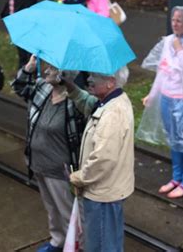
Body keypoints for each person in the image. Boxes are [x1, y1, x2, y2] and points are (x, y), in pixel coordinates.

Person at [11, 56, 85, 252]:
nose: (45, 71)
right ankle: (57, 241)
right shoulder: (42, 88)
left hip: (59, 168)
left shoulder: (75, 101)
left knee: (67, 211)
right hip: (38, 162)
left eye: (51, 68)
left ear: (63, 74)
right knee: (51, 208)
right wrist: (29, 67)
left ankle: (75, 246)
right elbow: (18, 87)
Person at [137, 6, 183, 199]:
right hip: (167, 97)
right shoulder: (168, 41)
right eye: (173, 19)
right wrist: (152, 95)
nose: (174, 23)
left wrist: (180, 51)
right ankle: (176, 177)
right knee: (173, 139)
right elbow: (162, 71)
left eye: (179, 20)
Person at [67, 67, 134, 252]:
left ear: (110, 81)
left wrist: (78, 177)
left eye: (94, 76)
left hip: (102, 194)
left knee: (102, 246)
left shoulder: (112, 114)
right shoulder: (111, 101)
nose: (88, 79)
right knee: (108, 242)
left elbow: (103, 160)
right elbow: (87, 104)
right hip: (107, 191)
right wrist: (68, 85)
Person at [1, 0, 38, 68]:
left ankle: (26, 72)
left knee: (26, 52)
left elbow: (30, 1)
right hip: (15, 21)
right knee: (22, 52)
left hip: (22, 21)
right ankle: (24, 71)